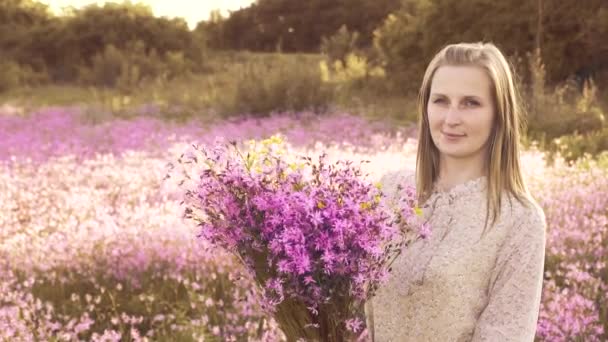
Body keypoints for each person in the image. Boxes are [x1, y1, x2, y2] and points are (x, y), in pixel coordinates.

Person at [365, 42, 547, 341]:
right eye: (440, 101)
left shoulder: (520, 221)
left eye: (470, 103)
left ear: (499, 114)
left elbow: (505, 334)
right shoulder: (391, 192)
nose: (450, 119)